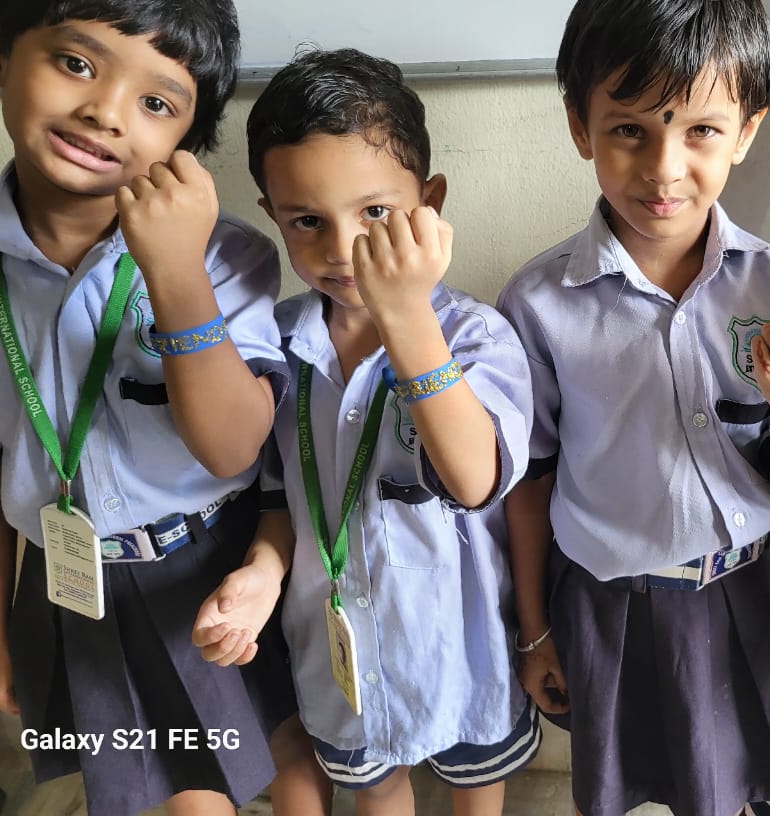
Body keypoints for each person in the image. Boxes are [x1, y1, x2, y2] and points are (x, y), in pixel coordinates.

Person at [0, 0, 307, 816]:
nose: (106, 112)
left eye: (158, 102)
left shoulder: (227, 258)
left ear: (189, 138)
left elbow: (234, 447)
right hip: (69, 586)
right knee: (149, 793)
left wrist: (176, 272)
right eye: (76, 63)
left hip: (209, 571)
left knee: (269, 763)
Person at [496, 0, 770, 816]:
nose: (663, 168)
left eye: (700, 130)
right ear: (581, 125)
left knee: (738, 790)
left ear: (748, 131)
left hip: (741, 601)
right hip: (607, 609)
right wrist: (535, 629)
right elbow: (529, 485)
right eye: (629, 129)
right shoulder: (539, 304)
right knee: (616, 790)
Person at [196, 47, 539, 816]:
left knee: (475, 792)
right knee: (376, 795)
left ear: (431, 202)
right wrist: (261, 573)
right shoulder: (276, 344)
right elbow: (282, 498)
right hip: (338, 656)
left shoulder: (477, 335)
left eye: (375, 214)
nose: (342, 248)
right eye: (307, 221)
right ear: (273, 215)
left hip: (462, 657)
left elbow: (474, 478)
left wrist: (406, 315)